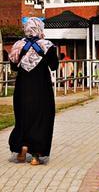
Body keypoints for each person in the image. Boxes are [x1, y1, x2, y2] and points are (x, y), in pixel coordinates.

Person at [8, 18, 59, 165]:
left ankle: (22, 147)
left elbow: (14, 67)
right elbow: (54, 66)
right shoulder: (47, 45)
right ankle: (36, 155)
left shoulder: (18, 45)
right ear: (40, 28)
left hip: (22, 88)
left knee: (23, 117)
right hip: (42, 88)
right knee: (42, 118)